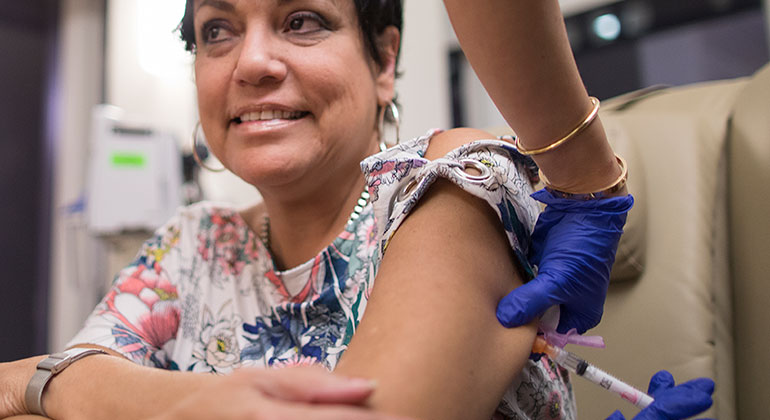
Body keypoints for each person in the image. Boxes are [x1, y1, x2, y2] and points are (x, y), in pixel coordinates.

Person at [0, 1, 714, 419]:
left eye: (302, 20)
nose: (250, 63)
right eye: (217, 29)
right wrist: (185, 403)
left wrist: (67, 387)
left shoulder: (457, 177)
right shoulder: (192, 239)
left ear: (383, 62)